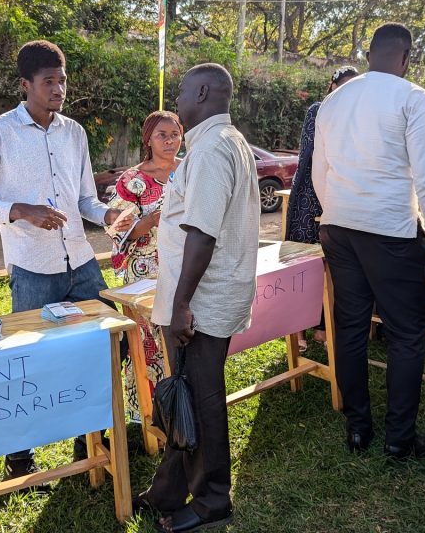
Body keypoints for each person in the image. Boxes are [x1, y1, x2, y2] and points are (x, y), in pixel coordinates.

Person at [0, 40, 135, 480]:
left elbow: (85, 199)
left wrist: (105, 213)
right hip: (32, 267)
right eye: (49, 81)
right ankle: (19, 459)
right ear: (25, 85)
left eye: (63, 80)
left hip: (83, 262)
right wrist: (17, 210)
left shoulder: (75, 132)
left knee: (112, 342)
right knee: (27, 361)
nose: (59, 89)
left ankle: (87, 438)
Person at [312, 23, 425, 461]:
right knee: (407, 334)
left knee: (350, 328)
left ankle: (358, 428)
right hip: (389, 228)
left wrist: (336, 209)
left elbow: (320, 170)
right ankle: (398, 438)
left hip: (338, 224)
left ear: (368, 53)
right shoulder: (413, 97)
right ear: (407, 58)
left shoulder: (334, 100)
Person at [138, 63, 259, 533]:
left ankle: (212, 501)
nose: (179, 98)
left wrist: (183, 303)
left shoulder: (212, 147)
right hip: (200, 295)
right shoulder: (223, 142)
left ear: (203, 91)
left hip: (202, 301)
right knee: (182, 392)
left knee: (201, 397)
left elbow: (202, 235)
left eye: (185, 90)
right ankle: (170, 488)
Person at [108, 110, 184, 422]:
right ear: (148, 140)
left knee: (184, 335)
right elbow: (117, 231)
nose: (170, 141)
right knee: (151, 342)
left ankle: (186, 403)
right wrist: (148, 222)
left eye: (175, 134)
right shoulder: (132, 181)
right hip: (146, 273)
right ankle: (153, 412)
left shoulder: (190, 170)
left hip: (185, 266)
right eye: (161, 135)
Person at [285, 65, 358, 352]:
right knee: (303, 266)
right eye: (341, 86)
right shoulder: (319, 110)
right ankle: (298, 329)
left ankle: (324, 328)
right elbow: (313, 154)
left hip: (341, 194)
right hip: (310, 195)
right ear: (332, 86)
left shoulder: (359, 116)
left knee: (336, 266)